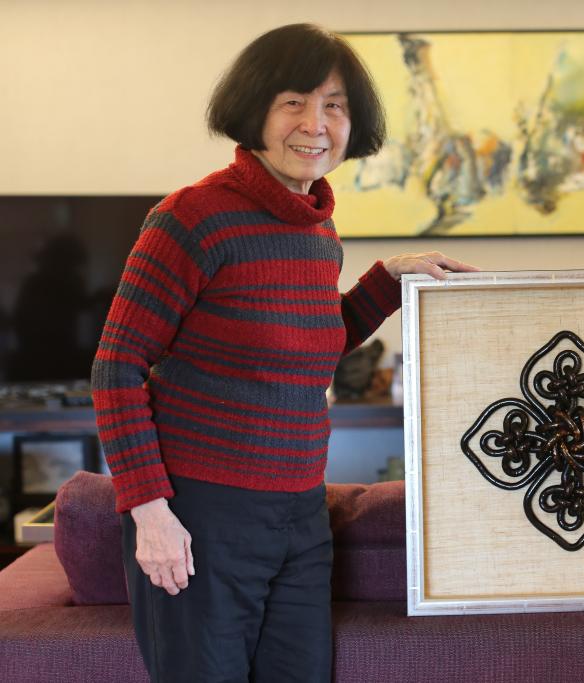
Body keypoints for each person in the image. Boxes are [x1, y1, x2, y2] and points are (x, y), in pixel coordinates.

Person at [91, 23, 476, 682]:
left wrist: (389, 278)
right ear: (255, 110)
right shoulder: (192, 217)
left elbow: (307, 346)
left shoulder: (318, 229)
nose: (315, 123)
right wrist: (149, 510)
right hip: (201, 510)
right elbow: (115, 367)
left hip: (300, 513)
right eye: (293, 101)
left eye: (334, 105)